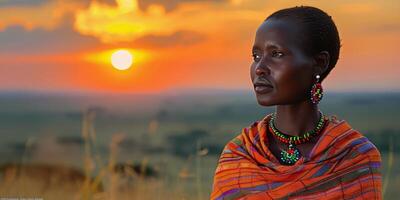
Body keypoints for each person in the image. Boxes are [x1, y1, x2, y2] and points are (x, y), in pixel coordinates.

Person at [210, 6, 382, 200]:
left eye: (277, 54)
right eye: (256, 56)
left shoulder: (355, 156)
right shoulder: (239, 155)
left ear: (319, 62)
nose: (259, 68)